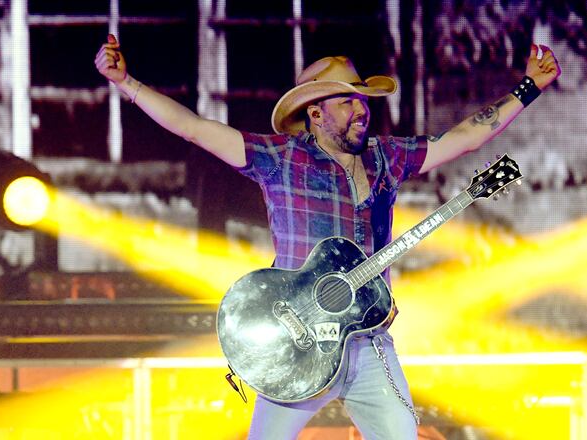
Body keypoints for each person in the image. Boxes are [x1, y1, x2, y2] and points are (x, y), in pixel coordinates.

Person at [95, 34, 560, 440]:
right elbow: (193, 129)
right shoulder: (280, 158)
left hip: (366, 340)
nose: (362, 111)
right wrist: (126, 83)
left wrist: (529, 87)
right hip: (295, 343)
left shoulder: (387, 157)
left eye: (363, 101)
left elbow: (466, 138)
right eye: (348, 102)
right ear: (315, 112)